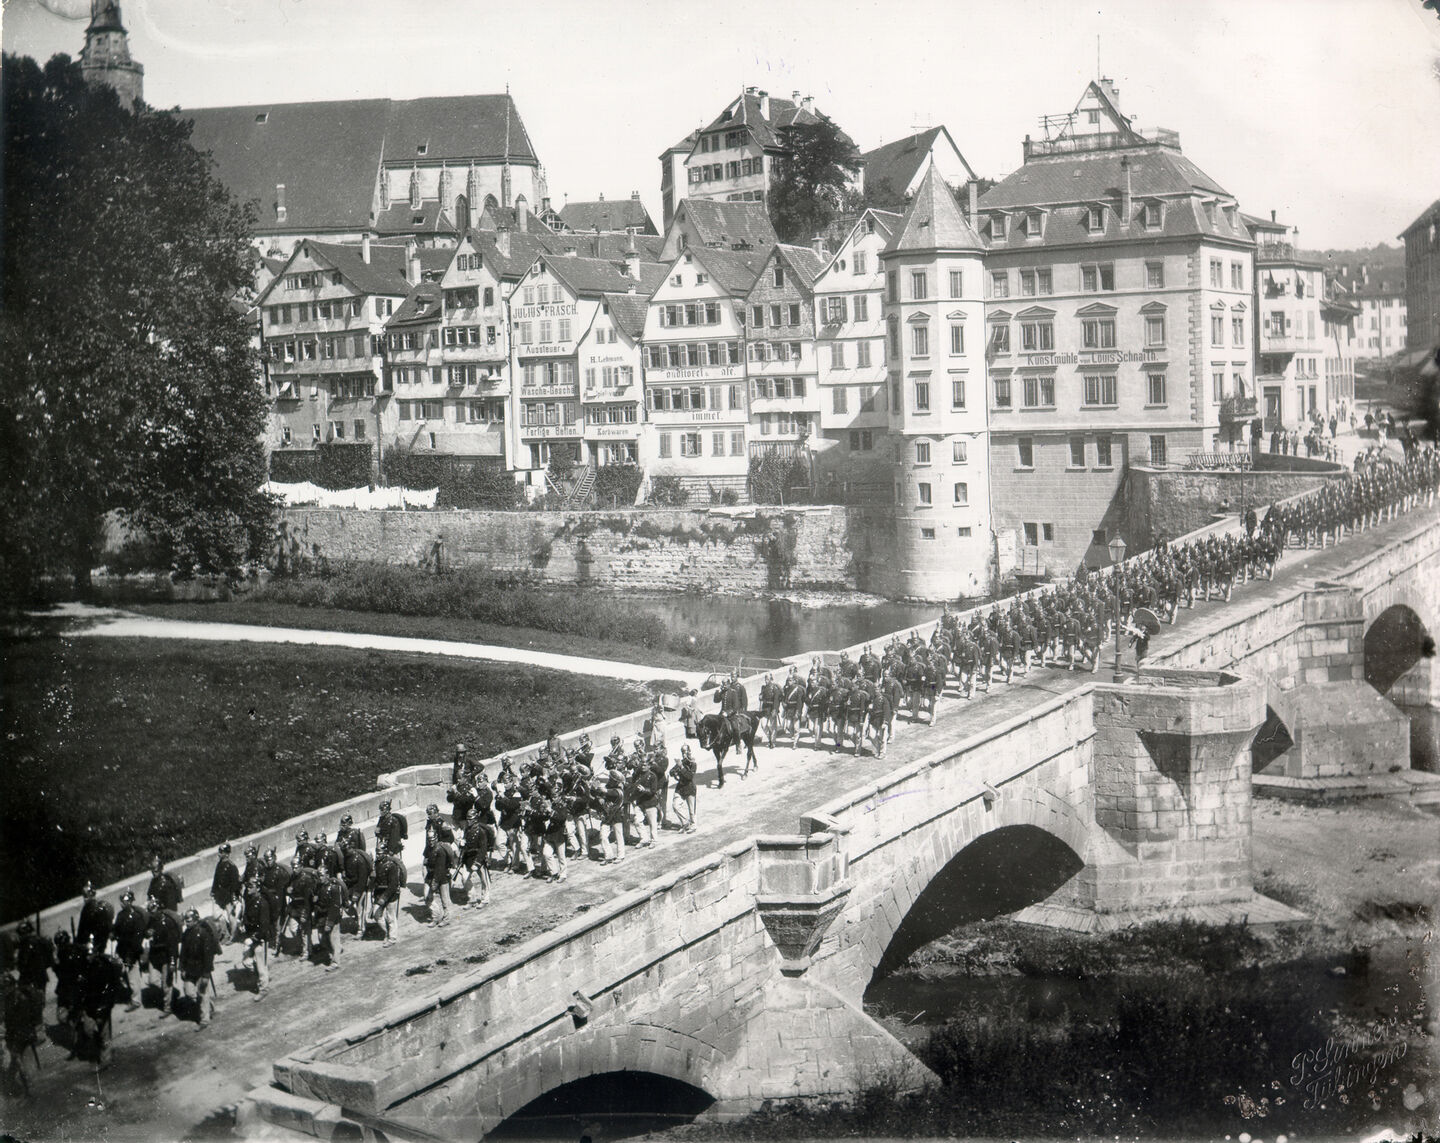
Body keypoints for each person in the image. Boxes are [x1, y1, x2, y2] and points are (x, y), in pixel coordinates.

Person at [178, 908, 220, 1027]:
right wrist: (182, 968)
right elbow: (183, 953)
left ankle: (204, 1019)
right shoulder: (186, 934)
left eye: (189, 921)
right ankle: (208, 1005)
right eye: (186, 921)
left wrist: (206, 974)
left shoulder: (203, 934)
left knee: (202, 993)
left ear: (196, 920)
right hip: (189, 969)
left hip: (202, 969)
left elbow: (208, 956)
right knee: (189, 992)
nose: (187, 923)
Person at [142, 899, 182, 1015]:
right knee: (153, 980)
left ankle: (167, 1007)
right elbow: (145, 932)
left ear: (160, 910)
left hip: (167, 956)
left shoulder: (168, 923)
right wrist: (147, 933)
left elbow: (173, 945)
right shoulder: (151, 920)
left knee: (166, 983)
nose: (151, 913)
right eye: (150, 911)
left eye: (153, 910)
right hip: (155, 956)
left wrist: (173, 962)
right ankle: (172, 992)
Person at [238, 872, 273, 1000]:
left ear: (257, 888)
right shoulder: (250, 900)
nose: (248, 888)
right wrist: (243, 925)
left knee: (260, 965)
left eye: (251, 886)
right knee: (247, 962)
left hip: (260, 938)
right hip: (250, 936)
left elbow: (264, 926)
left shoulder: (262, 903)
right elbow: (247, 917)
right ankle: (263, 975)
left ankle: (263, 989)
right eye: (247, 886)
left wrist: (253, 939)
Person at [111, 889, 147, 1009]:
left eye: (125, 901)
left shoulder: (137, 917)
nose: (122, 903)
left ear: (130, 902)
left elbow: (137, 939)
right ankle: (129, 994)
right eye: (122, 901)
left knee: (133, 977)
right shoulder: (121, 915)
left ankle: (136, 1001)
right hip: (121, 949)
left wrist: (131, 955)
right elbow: (116, 929)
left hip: (132, 952)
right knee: (122, 973)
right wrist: (112, 933)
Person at [369, 846, 405, 945]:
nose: (378, 855)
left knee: (390, 917)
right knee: (376, 915)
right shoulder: (376, 864)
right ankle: (387, 932)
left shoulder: (391, 865)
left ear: (385, 853)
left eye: (380, 853)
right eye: (377, 853)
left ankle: (392, 938)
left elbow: (393, 885)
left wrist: (384, 897)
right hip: (379, 893)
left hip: (391, 894)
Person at [211, 843, 242, 942]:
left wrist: (234, 897)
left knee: (231, 916)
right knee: (217, 915)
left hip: (228, 896)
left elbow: (235, 884)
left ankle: (233, 936)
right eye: (219, 852)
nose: (219, 854)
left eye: (221, 852)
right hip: (219, 895)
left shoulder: (232, 867)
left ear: (227, 854)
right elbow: (216, 879)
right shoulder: (219, 864)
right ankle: (224, 933)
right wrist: (213, 891)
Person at [76, 881, 115, 956]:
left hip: (92, 945)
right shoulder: (103, 907)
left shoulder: (87, 909)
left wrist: (79, 943)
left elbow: (82, 930)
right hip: (102, 942)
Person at [670, 747, 698, 833]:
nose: (683, 754)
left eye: (685, 752)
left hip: (689, 787)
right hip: (680, 788)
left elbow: (689, 776)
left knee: (692, 810)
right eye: (682, 752)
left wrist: (681, 767)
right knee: (675, 806)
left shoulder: (693, 763)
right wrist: (674, 772)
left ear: (689, 752)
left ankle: (693, 825)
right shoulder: (681, 762)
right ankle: (685, 823)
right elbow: (671, 771)